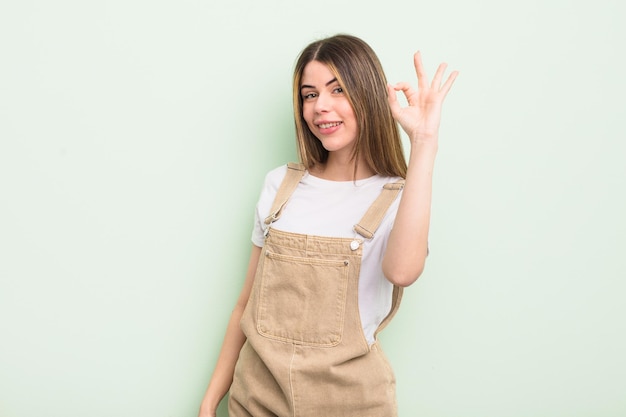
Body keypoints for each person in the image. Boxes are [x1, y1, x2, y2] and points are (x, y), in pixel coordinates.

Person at [198, 34, 458, 417]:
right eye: (309, 94)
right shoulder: (279, 186)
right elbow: (244, 306)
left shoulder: (398, 197)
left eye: (338, 90)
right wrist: (209, 400)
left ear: (367, 95)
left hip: (353, 404)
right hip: (257, 401)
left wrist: (424, 141)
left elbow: (402, 272)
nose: (321, 106)